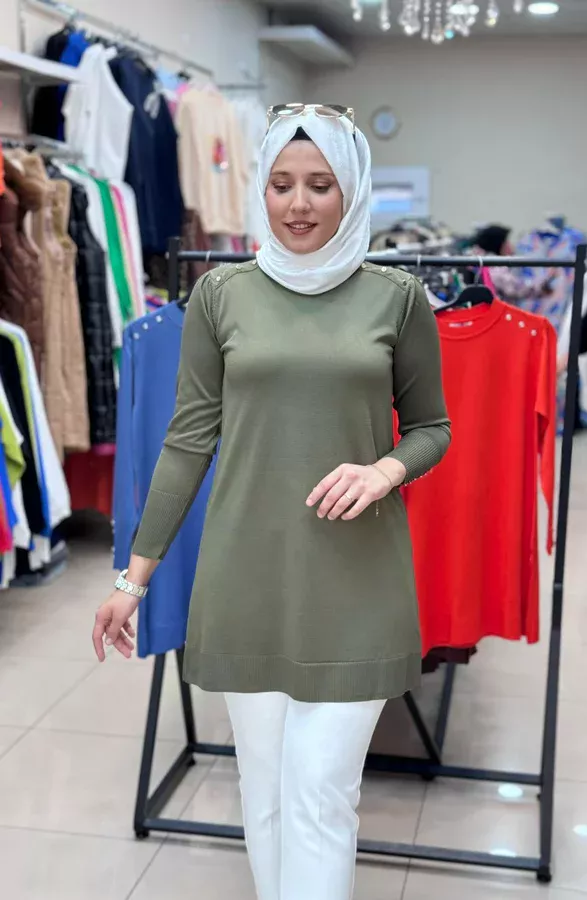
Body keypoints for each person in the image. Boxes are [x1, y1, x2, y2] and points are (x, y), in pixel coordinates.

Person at [92, 103, 451, 900]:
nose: (298, 204)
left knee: (321, 793)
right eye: (282, 184)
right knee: (264, 793)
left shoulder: (396, 298)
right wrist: (132, 581)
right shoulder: (222, 294)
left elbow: (433, 427)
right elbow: (187, 441)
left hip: (357, 581)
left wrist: (385, 471)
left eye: (321, 184)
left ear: (351, 188)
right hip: (246, 577)